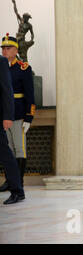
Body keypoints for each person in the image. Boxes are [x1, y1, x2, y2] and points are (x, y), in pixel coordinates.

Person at [0, 33, 36, 192]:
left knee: (19, 149)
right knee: (8, 149)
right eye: (3, 48)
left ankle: (18, 182)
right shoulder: (1, 65)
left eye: (9, 48)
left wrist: (29, 117)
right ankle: (10, 181)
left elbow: (30, 93)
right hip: (3, 114)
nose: (5, 51)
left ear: (16, 50)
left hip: (19, 113)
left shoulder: (23, 68)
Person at [0, 34, 25, 205]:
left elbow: (7, 91)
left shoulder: (1, 62)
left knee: (5, 153)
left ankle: (17, 190)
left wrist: (8, 116)